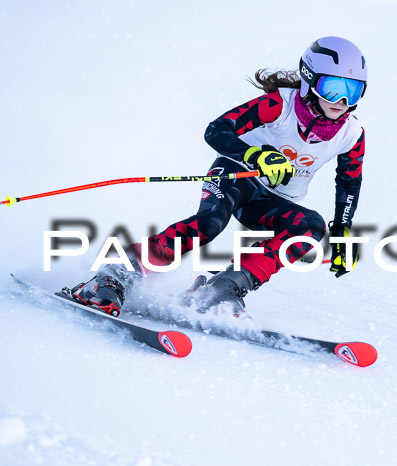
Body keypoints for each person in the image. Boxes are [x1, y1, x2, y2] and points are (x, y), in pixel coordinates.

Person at [69, 36, 367, 317]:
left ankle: (220, 290)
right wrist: (254, 154)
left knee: (310, 228)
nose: (341, 101)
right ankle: (115, 274)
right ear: (310, 80)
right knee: (208, 225)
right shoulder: (279, 105)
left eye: (352, 91)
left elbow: (349, 181)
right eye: (332, 88)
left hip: (270, 200)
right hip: (236, 175)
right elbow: (216, 130)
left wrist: (342, 230)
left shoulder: (351, 134)